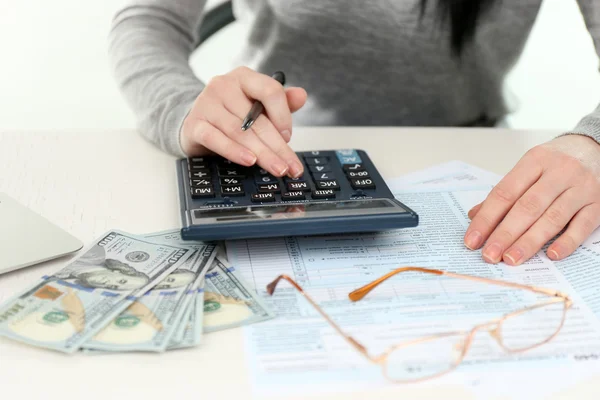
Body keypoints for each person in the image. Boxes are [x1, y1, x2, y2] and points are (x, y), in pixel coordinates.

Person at [108, 0, 600, 266]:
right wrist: (183, 108)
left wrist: (594, 140)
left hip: (474, 152)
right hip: (273, 152)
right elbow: (147, 20)